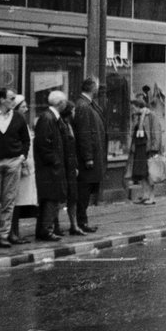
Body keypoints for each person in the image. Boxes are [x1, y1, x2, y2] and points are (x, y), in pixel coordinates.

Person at [0, 87, 31, 248]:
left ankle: (3, 235)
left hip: (13, 162)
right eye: (11, 98)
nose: (13, 101)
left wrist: (22, 156)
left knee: (9, 201)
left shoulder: (18, 118)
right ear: (1, 100)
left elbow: (25, 139)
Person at [72, 76, 107, 233]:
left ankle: (81, 221)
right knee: (83, 192)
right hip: (88, 159)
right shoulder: (83, 106)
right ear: (93, 88)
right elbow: (84, 134)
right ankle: (81, 222)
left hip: (93, 156)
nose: (99, 89)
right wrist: (88, 157)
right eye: (97, 86)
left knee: (86, 191)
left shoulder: (88, 105)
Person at [33, 91, 67, 242]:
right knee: (50, 198)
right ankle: (46, 230)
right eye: (65, 102)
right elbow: (43, 144)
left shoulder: (51, 117)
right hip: (49, 168)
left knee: (51, 198)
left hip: (51, 166)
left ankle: (46, 229)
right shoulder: (48, 118)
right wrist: (55, 161)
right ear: (60, 104)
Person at [124, 97, 162, 205]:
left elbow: (156, 131)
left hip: (147, 147)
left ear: (138, 106)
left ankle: (152, 197)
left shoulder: (151, 116)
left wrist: (155, 147)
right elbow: (133, 132)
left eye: (133, 107)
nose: (133, 110)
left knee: (149, 172)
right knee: (141, 173)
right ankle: (145, 195)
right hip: (138, 147)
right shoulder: (137, 117)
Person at [10, 94, 36, 244]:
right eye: (23, 106)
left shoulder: (23, 123)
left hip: (26, 168)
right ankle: (12, 233)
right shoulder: (16, 124)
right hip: (20, 167)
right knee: (14, 201)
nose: (26, 109)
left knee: (19, 202)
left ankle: (15, 232)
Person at [58, 100, 84, 236]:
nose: (75, 112)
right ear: (68, 111)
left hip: (72, 166)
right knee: (60, 196)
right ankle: (54, 226)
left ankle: (74, 225)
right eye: (73, 110)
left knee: (73, 196)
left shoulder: (70, 125)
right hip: (64, 166)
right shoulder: (60, 125)